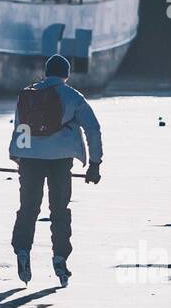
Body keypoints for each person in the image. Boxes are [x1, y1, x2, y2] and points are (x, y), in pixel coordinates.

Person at [7, 54, 102, 288]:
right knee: (59, 209)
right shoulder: (72, 97)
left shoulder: (28, 94)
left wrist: (19, 156)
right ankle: (60, 257)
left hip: (30, 159)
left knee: (28, 208)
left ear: (46, 72)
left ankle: (22, 251)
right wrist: (95, 164)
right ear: (66, 74)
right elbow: (93, 128)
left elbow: (21, 127)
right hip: (61, 161)